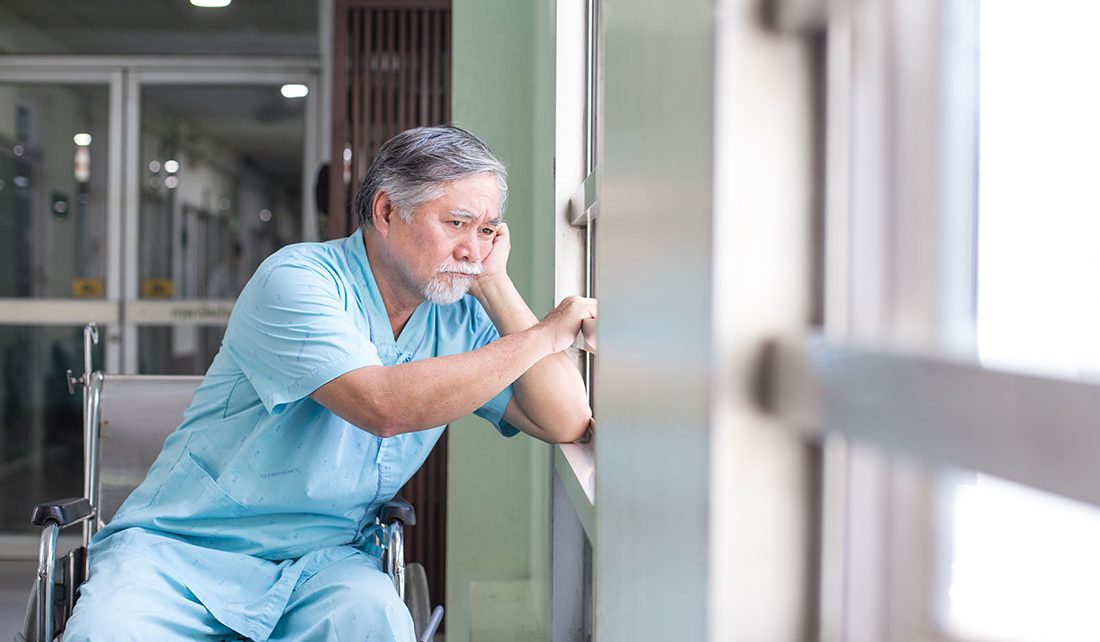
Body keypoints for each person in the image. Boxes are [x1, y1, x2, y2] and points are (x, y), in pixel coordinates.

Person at [63, 126, 595, 642]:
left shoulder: (458, 316)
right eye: (456, 223)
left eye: (487, 231)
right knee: (108, 630)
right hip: (182, 552)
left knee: (373, 618)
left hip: (325, 564)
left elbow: (566, 419)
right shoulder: (298, 279)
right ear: (387, 212)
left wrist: (497, 285)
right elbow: (381, 404)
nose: (472, 250)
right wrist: (545, 333)